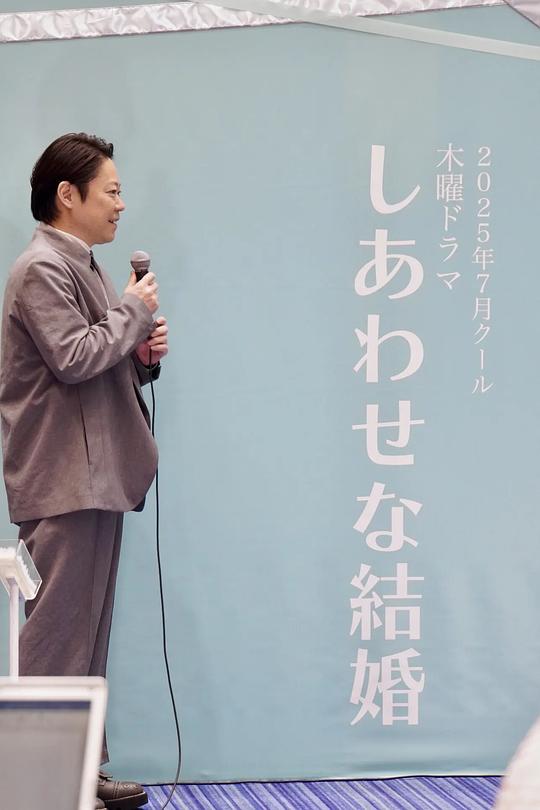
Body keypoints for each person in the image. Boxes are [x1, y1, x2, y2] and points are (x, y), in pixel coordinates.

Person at [0, 133, 168, 810]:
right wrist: (134, 313)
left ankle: (74, 771)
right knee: (57, 634)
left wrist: (141, 353)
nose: (121, 204)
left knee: (87, 633)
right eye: (112, 191)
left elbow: (97, 360)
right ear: (67, 195)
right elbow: (73, 357)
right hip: (64, 476)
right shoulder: (42, 268)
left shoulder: (83, 266)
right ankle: (37, 786)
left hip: (92, 474)